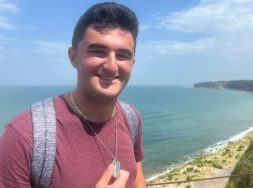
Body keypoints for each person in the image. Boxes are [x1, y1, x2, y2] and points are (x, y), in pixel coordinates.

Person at [0, 2, 146, 188]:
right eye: (98, 51)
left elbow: (137, 175)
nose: (111, 65)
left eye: (122, 55)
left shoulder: (131, 118)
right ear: (73, 57)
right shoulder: (23, 137)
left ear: (132, 63)